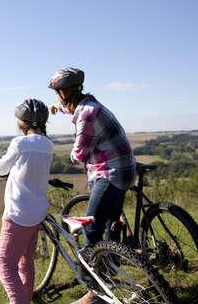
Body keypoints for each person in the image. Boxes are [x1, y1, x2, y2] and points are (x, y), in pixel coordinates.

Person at [48, 67, 136, 304]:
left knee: (91, 229)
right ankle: (111, 279)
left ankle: (96, 292)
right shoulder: (91, 106)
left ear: (65, 92)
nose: (56, 98)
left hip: (110, 175)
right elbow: (78, 115)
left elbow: (78, 154)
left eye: (57, 93)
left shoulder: (87, 115)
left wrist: (69, 155)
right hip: (123, 173)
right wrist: (60, 109)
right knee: (110, 227)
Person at [0, 98, 54, 304]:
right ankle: (26, 297)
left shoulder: (19, 143)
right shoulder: (48, 145)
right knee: (26, 260)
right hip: (37, 212)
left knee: (5, 265)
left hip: (18, 213)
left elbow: (2, 167)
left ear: (21, 123)